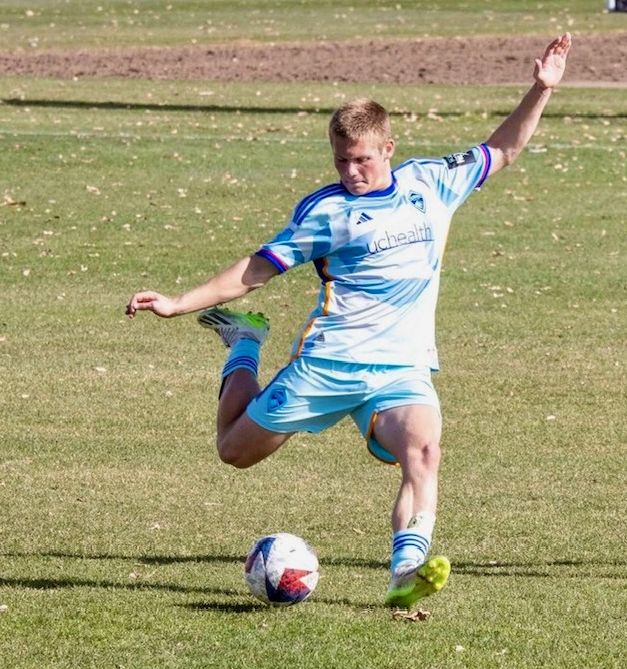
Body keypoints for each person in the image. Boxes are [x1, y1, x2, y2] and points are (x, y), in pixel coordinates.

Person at [126, 33, 572, 610]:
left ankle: (406, 570)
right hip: (327, 363)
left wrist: (541, 89)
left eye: (362, 159)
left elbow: (503, 150)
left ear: (388, 147)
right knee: (234, 451)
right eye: (341, 160)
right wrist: (178, 301)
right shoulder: (327, 211)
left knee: (424, 451)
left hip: (400, 367)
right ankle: (243, 341)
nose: (352, 171)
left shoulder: (431, 182)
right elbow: (256, 270)